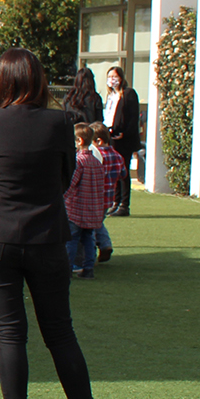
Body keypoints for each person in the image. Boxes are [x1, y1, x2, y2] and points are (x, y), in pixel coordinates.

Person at [0, 48, 105, 399]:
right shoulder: (61, 122)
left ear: (0, 81)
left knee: (10, 334)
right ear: (39, 80)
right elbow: (65, 175)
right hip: (47, 235)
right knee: (60, 332)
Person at [64, 122, 110, 279]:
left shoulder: (79, 161)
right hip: (93, 208)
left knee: (71, 240)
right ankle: (88, 268)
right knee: (89, 239)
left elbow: (71, 184)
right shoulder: (97, 162)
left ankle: (67, 268)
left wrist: (61, 198)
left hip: (77, 208)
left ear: (79, 140)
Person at [104, 65, 139, 215]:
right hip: (112, 136)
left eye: (115, 77)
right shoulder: (111, 95)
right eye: (109, 77)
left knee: (123, 170)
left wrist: (124, 132)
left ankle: (124, 205)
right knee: (114, 171)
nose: (112, 80)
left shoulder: (128, 94)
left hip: (124, 139)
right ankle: (115, 202)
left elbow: (133, 117)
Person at [89, 122, 124, 264]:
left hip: (95, 197)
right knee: (98, 222)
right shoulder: (117, 156)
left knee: (91, 225)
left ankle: (94, 250)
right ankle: (105, 245)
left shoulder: (95, 156)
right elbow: (123, 174)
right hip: (108, 198)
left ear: (98, 141)